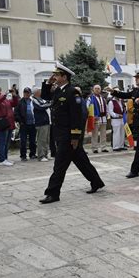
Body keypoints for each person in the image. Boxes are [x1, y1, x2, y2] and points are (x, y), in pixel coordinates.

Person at [40, 62, 105, 204]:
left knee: (59, 165)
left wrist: (75, 137)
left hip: (68, 136)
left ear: (65, 77)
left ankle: (52, 193)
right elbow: (46, 96)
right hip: (60, 133)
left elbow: (77, 116)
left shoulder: (72, 92)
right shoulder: (58, 91)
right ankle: (96, 182)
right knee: (82, 161)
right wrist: (47, 83)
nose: (55, 77)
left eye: (57, 75)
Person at [0, 86, 18, 166]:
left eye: (0, 90)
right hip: (1, 125)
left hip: (9, 124)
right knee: (2, 143)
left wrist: (14, 95)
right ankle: (2, 160)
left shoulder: (5, 100)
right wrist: (5, 93)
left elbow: (14, 103)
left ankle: (5, 158)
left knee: (7, 143)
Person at [15, 87, 37, 161]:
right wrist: (20, 121)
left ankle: (32, 154)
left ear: (30, 93)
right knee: (23, 141)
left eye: (28, 92)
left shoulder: (32, 101)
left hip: (33, 124)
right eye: (25, 92)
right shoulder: (20, 102)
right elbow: (16, 113)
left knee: (32, 140)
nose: (26, 94)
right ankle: (23, 156)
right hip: (24, 124)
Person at [87, 85, 109, 153]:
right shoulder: (90, 98)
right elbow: (88, 107)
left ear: (100, 90)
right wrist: (93, 116)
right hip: (96, 118)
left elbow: (106, 106)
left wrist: (107, 114)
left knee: (103, 133)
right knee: (95, 133)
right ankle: (94, 148)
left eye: (98, 88)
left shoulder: (103, 98)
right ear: (93, 90)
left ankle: (103, 147)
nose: (97, 90)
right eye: (96, 88)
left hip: (103, 118)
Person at [32, 87, 51, 161]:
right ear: (37, 92)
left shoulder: (41, 99)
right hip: (40, 122)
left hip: (46, 121)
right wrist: (50, 104)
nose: (41, 91)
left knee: (46, 139)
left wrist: (48, 103)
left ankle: (45, 154)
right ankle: (41, 155)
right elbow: (41, 106)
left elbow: (46, 103)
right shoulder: (34, 100)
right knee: (41, 140)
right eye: (40, 90)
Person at [107, 87, 126, 151]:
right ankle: (116, 146)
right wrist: (117, 115)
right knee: (116, 133)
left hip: (121, 119)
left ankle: (121, 145)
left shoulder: (121, 101)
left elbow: (123, 109)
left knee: (122, 132)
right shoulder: (111, 102)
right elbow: (110, 111)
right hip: (115, 120)